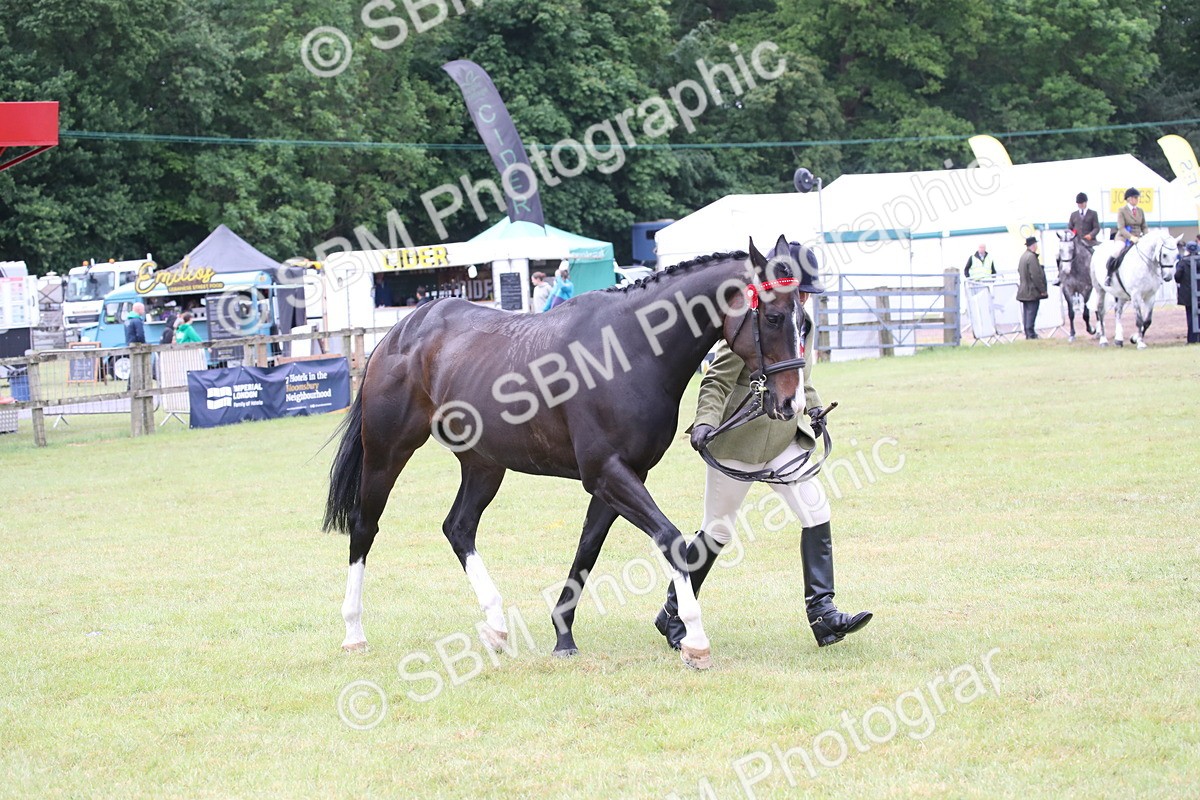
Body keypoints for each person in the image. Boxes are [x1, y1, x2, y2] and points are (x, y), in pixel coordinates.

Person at [653, 241, 872, 652]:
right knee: (717, 532)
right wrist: (704, 422)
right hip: (739, 443)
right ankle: (672, 611)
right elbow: (716, 381)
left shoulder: (794, 320)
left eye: (806, 293)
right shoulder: (756, 327)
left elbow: (798, 374)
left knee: (816, 511)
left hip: (783, 441)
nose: (805, 299)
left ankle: (823, 614)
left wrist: (816, 408)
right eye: (802, 291)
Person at [1106, 187, 1147, 286]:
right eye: (1135, 197)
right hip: (1124, 237)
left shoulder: (1140, 211)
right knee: (1117, 251)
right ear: (1129, 199)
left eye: (1137, 198)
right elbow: (1121, 227)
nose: (1137, 199)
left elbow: (1144, 226)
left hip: (1138, 237)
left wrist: (1147, 236)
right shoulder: (1122, 210)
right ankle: (1109, 275)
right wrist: (1131, 237)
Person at [1016, 236, 1047, 339]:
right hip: (1031, 290)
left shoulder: (1023, 256)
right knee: (1031, 312)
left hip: (1024, 289)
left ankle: (1028, 333)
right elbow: (1035, 275)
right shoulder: (1032, 257)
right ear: (1033, 245)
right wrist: (1042, 290)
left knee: (1027, 312)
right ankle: (1031, 334)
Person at [1176, 241, 1200, 344]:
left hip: (1187, 294)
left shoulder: (1182, 262)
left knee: (1190, 316)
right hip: (1198, 293)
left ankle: (1192, 339)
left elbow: (1177, 277)